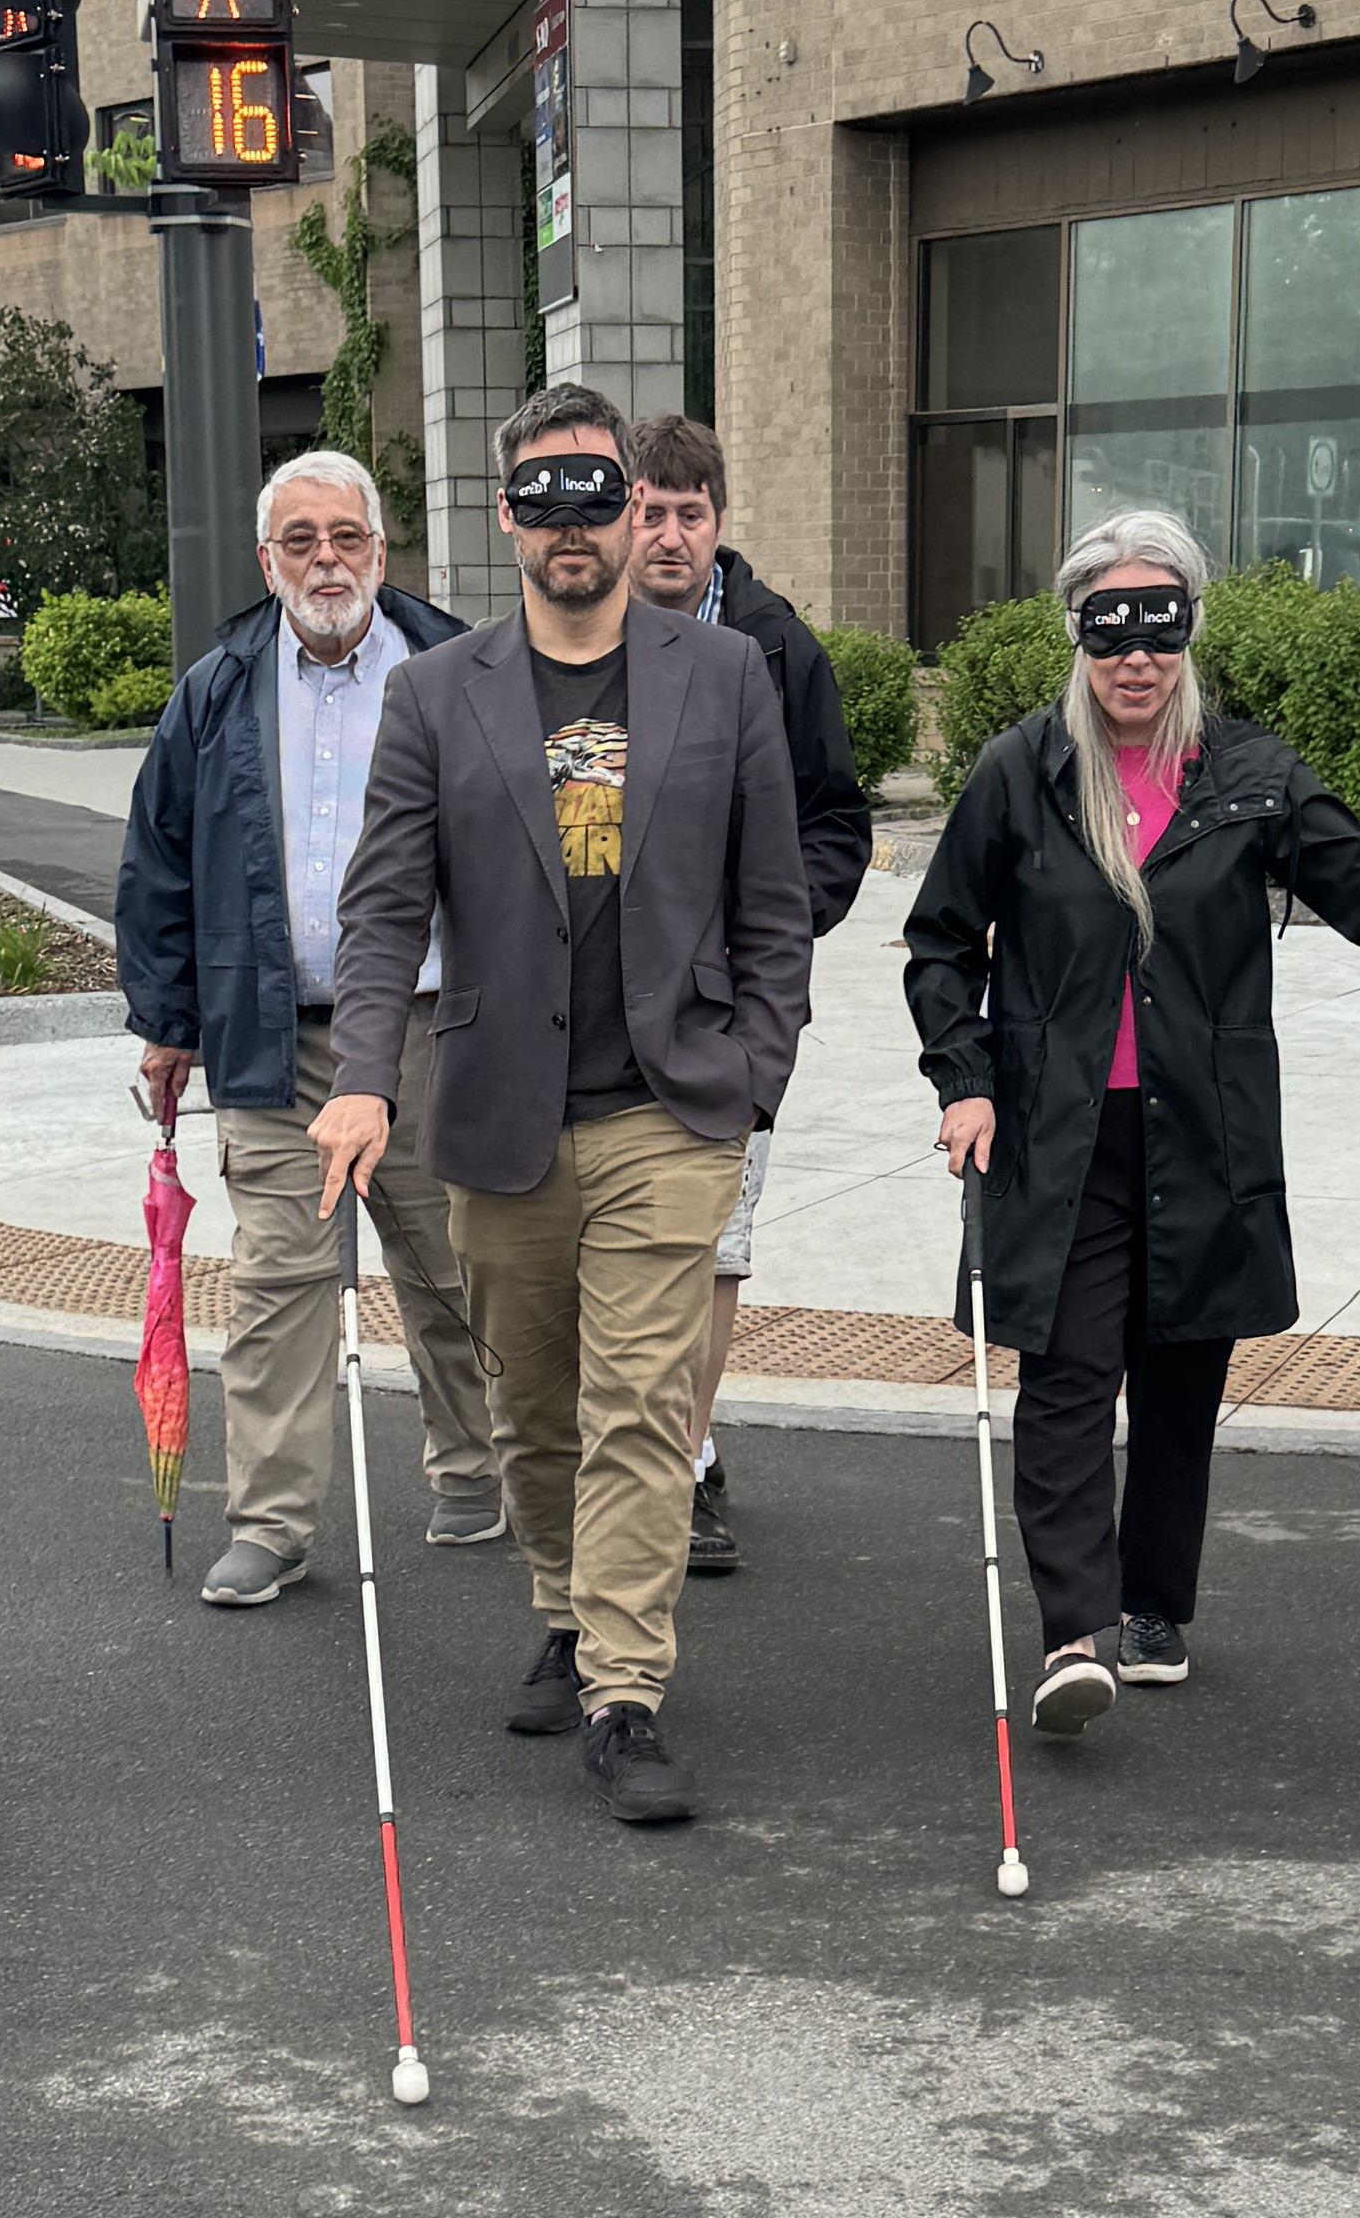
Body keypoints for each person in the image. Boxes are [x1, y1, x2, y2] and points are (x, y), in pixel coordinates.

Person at [905, 510, 1360, 1738]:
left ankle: (1155, 1606)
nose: (1136, 659)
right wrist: (966, 1078)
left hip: (1201, 1129)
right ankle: (1072, 1630)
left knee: (1180, 1372)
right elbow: (942, 943)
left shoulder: (1247, 772)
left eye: (1159, 630)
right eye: (1110, 633)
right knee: (1065, 1374)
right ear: (1078, 636)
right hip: (1060, 1136)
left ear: (1190, 632)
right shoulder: (1020, 770)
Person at [311, 381, 814, 1827]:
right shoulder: (433, 692)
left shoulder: (724, 678)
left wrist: (754, 1072)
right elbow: (383, 909)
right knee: (528, 1410)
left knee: (641, 1404)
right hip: (500, 1110)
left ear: (629, 498)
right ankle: (568, 1607)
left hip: (672, 1104)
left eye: (597, 490)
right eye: (543, 495)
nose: (573, 520)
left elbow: (771, 901)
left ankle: (625, 1692)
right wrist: (358, 1084)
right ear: (506, 514)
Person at [116, 448, 503, 1606]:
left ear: (383, 553)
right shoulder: (220, 686)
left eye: (346, 538)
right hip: (270, 1034)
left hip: (435, 1030)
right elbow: (160, 861)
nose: (325, 559)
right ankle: (272, 1521)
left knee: (451, 1263)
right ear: (265, 559)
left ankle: (480, 1470)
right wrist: (168, 1017)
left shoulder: (460, 666)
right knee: (279, 1279)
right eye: (301, 540)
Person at [621, 411, 875, 1577]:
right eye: (648, 509)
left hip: (733, 1007)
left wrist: (767, 938)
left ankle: (687, 1459)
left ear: (718, 522)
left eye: (689, 511)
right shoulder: (578, 640)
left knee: (718, 1242)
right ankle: (629, 1451)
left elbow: (837, 824)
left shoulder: (777, 649)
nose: (668, 533)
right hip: (602, 1000)